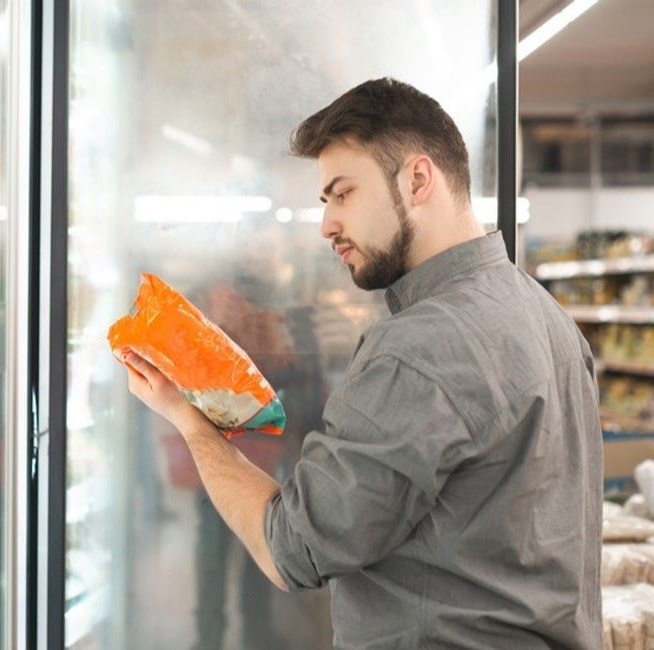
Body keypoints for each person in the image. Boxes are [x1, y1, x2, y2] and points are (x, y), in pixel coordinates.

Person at [117, 78, 602, 649]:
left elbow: (290, 549)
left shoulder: (419, 347)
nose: (327, 225)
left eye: (343, 194)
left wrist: (188, 419)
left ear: (418, 180)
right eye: (325, 202)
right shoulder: (548, 318)